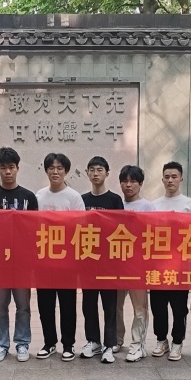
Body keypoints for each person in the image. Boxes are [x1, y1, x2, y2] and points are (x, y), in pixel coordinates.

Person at [0, 147, 39, 363]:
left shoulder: (29, 197)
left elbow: (35, 230)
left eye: (11, 167)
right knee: (0, 307)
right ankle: (1, 344)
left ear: (18, 168)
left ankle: (22, 343)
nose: (7, 172)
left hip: (22, 262)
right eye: (3, 168)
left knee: (23, 306)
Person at [35, 153, 85, 362]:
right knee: (45, 305)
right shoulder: (39, 196)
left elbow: (81, 228)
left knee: (67, 305)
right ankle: (49, 343)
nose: (55, 172)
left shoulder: (74, 197)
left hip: (67, 262)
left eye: (59, 168)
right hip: (44, 260)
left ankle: (68, 344)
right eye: (51, 168)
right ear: (46, 170)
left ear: (66, 171)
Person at [81, 156, 124, 364]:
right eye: (92, 170)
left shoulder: (115, 200)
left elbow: (122, 230)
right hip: (87, 261)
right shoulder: (81, 200)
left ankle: (109, 345)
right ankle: (93, 341)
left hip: (109, 263)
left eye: (99, 169)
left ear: (107, 173)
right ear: (87, 173)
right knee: (88, 304)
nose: (95, 173)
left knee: (110, 306)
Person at [150, 162, 191, 361]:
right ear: (162, 179)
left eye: (174, 176)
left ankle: (177, 342)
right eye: (167, 177)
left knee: (179, 308)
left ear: (181, 179)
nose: (170, 180)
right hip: (158, 266)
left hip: (180, 267)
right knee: (158, 307)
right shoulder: (154, 205)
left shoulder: (189, 205)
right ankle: (161, 340)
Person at [118, 165, 155, 363]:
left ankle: (137, 344)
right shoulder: (116, 204)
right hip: (116, 264)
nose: (128, 185)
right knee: (115, 306)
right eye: (125, 181)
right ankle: (116, 340)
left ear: (140, 184)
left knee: (140, 307)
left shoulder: (148, 207)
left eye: (133, 181)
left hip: (138, 265)